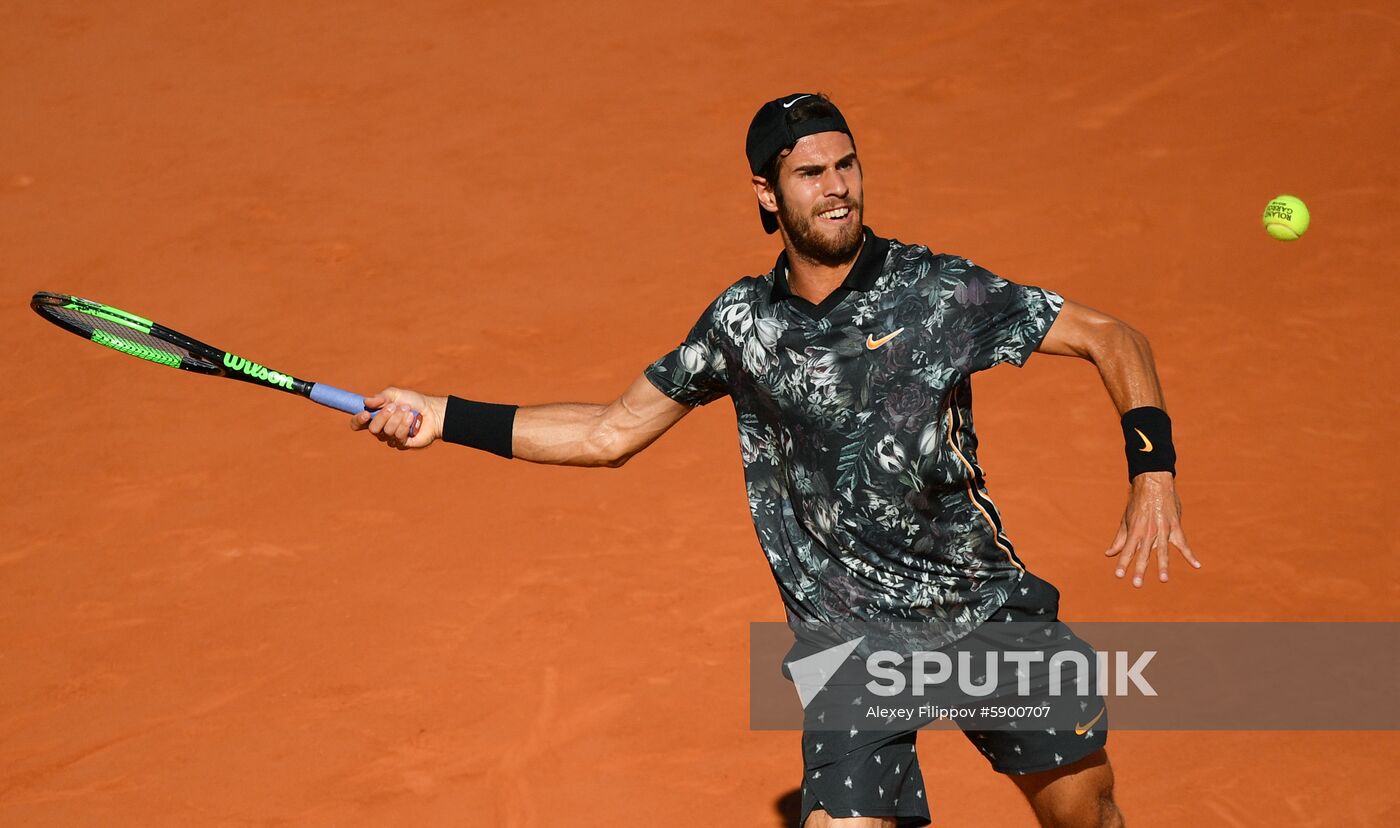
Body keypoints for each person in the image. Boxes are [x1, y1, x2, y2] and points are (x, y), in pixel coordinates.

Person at [351, 93, 1200, 828]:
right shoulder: (740, 327)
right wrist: (443, 417)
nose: (836, 188)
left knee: (1082, 813)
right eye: (810, 173)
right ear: (766, 192)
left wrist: (1151, 469)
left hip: (980, 604)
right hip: (853, 640)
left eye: (846, 165)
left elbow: (1110, 336)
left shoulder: (937, 291)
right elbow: (609, 432)